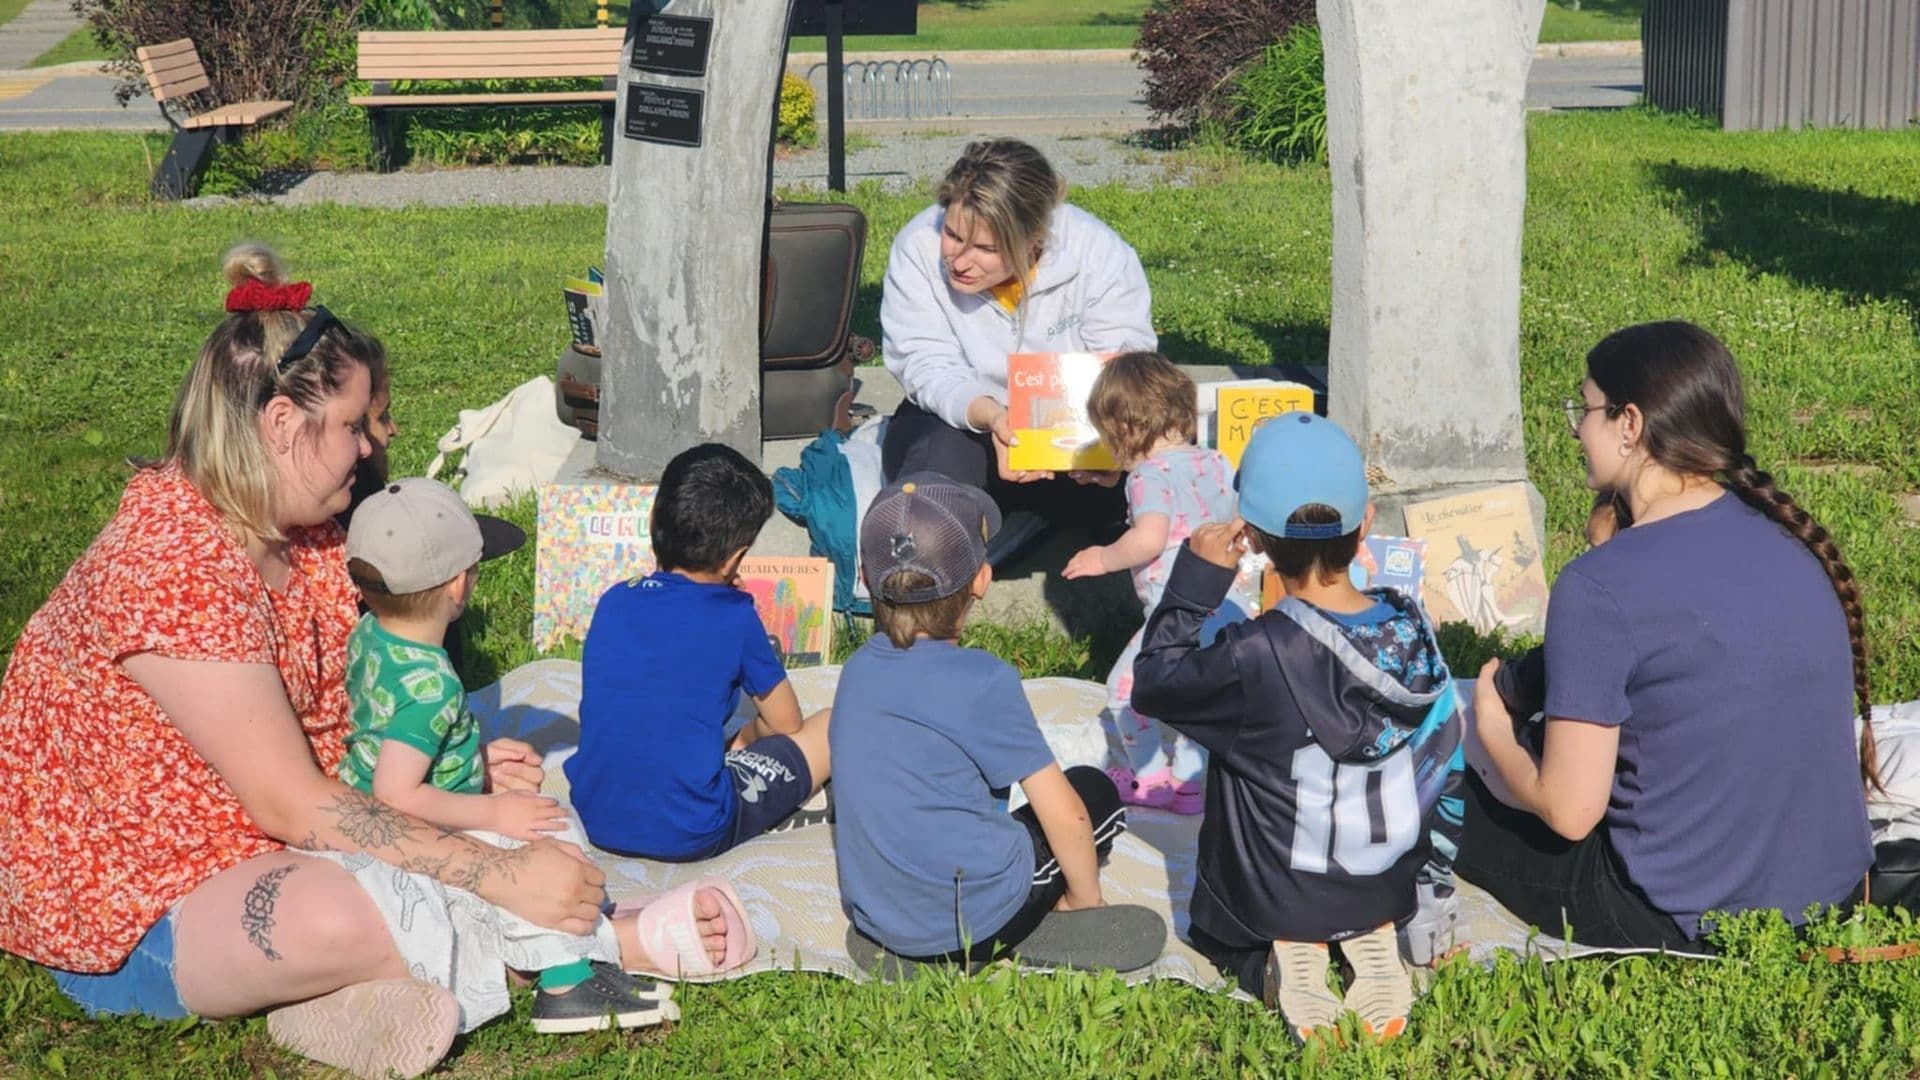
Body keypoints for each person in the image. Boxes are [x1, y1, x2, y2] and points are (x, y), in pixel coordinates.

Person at [0, 245, 745, 1080]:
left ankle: (343, 997)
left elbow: (342, 733)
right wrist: (498, 874)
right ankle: (595, 945)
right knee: (336, 917)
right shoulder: (172, 566)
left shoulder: (302, 525)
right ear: (283, 425)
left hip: (279, 836)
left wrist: (451, 766)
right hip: (144, 905)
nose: (369, 448)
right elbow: (294, 804)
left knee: (477, 818)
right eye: (354, 425)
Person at [1461, 320, 1875, 951]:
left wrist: (1491, 735)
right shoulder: (1788, 539)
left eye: (1585, 409)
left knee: (1430, 792)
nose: (1575, 429)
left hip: (1679, 910)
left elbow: (1570, 812)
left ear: (1630, 424)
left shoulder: (1600, 586)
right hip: (1829, 893)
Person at [1132, 413, 1466, 1043]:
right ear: (1366, 525)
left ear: (1254, 539)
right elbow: (1446, 765)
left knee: (1210, 923)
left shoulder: (1252, 653)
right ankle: (1367, 933)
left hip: (1271, 903)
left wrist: (1195, 581)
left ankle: (1267, 964)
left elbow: (1152, 681)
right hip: (1385, 886)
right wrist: (1431, 886)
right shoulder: (1413, 630)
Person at [343, 477, 673, 1034]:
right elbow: (396, 793)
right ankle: (568, 981)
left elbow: (395, 735)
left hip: (367, 808)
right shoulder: (434, 685)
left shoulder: (370, 633)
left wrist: (467, 754)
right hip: (412, 823)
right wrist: (493, 812)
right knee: (548, 832)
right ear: (458, 586)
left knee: (535, 825)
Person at [831, 473, 1130, 962]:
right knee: (1094, 792)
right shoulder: (983, 681)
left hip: (877, 916)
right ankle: (1054, 912)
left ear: (864, 578)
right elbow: (1068, 816)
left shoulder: (856, 670)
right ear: (982, 580)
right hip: (972, 921)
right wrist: (1084, 900)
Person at [879, 138, 1157, 558]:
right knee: (928, 494)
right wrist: (993, 417)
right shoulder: (916, 246)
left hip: (1078, 426)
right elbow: (925, 362)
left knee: (1165, 451)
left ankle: (1053, 517)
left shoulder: (1097, 252)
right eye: (952, 235)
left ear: (1035, 239)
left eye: (986, 249)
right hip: (970, 423)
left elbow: (1125, 361)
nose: (959, 260)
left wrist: (1109, 443)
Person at [569, 443, 833, 862]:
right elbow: (786, 722)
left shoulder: (614, 600)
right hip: (692, 829)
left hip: (594, 817)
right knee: (830, 725)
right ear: (735, 559)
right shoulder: (735, 616)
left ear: (653, 520)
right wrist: (743, 740)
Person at [1062, 352, 1253, 814]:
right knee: (1199, 692)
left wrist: (1102, 558)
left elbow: (1148, 538)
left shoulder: (1147, 476)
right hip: (1230, 603)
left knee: (1123, 690)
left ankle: (1150, 780)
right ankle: (1190, 784)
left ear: (1124, 428)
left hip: (1178, 611)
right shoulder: (1217, 461)